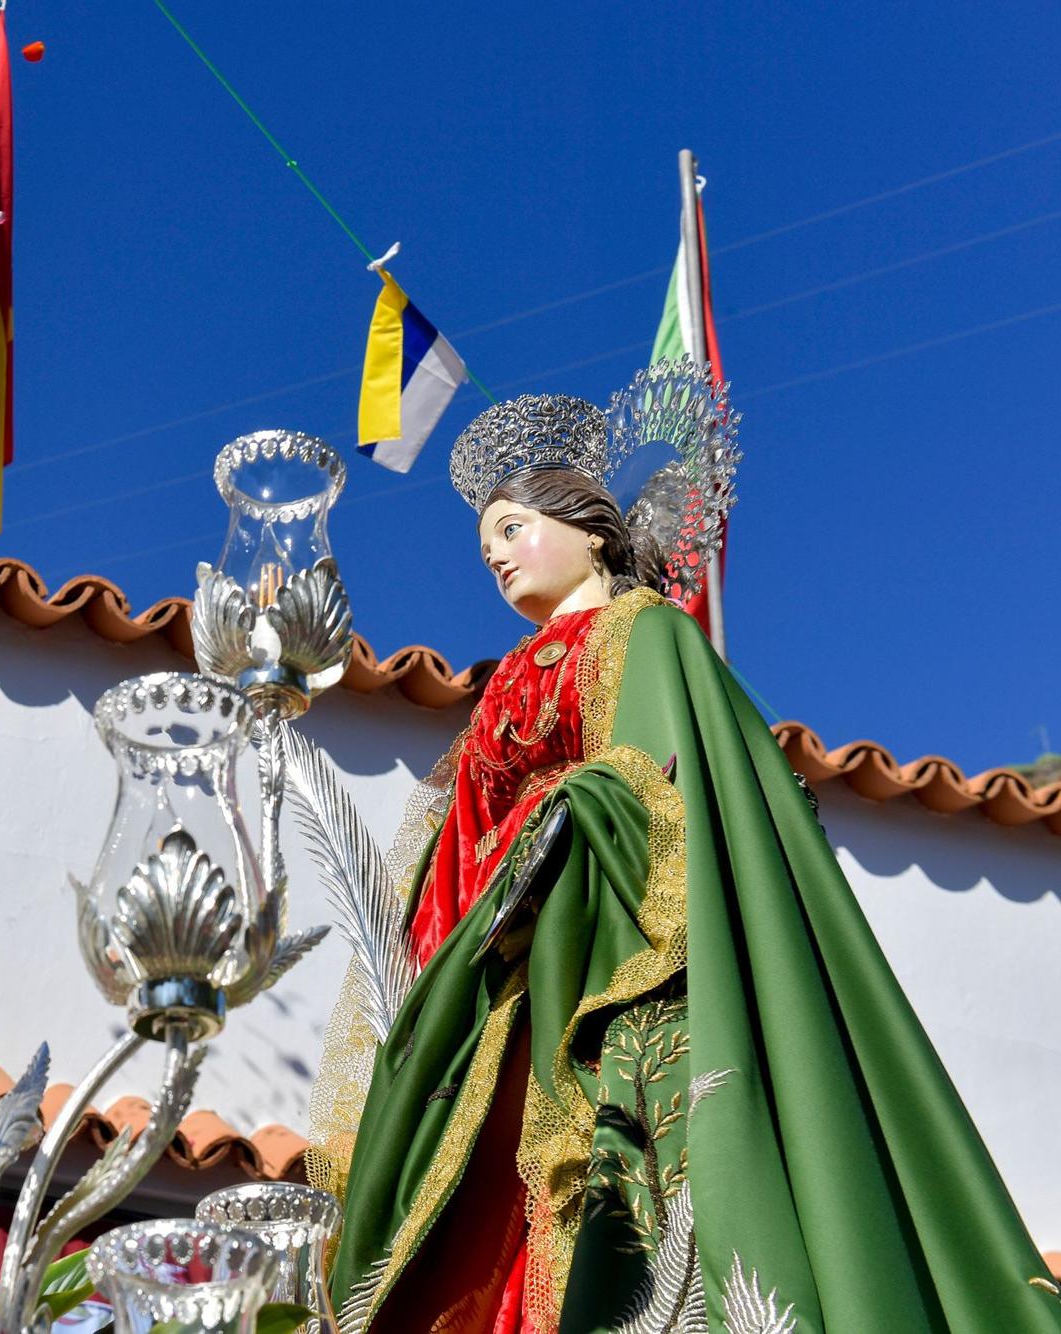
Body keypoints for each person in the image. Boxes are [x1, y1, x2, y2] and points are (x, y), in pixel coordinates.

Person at [313, 365, 1061, 1332]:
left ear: (590, 531)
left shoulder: (644, 632)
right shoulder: (505, 681)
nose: (494, 559)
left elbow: (662, 784)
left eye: (510, 529)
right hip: (504, 963)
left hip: (605, 937)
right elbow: (459, 828)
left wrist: (568, 820)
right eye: (482, 546)